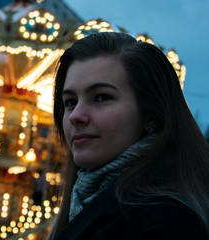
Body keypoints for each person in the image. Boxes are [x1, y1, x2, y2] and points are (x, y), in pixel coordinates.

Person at [48, 32, 209, 239]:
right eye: (70, 102)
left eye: (101, 97)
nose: (76, 116)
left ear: (151, 115)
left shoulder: (166, 221)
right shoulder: (86, 204)